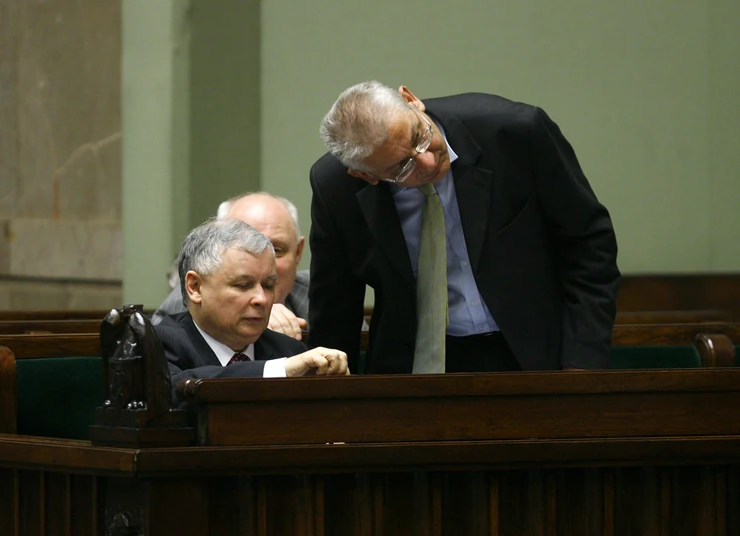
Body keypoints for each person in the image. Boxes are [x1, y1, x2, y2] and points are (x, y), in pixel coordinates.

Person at [308, 81, 620, 375]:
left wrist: (581, 363)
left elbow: (589, 246)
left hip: (536, 352)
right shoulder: (335, 188)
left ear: (411, 101)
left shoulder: (515, 132)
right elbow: (335, 307)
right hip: (413, 368)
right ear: (366, 175)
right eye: (402, 167)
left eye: (419, 137)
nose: (428, 162)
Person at [154, 218, 349, 394]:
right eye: (243, 285)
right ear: (195, 287)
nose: (261, 299)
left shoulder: (289, 349)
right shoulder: (159, 345)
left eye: (268, 285)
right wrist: (279, 370)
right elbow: (173, 391)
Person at [152, 192, 309, 340]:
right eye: (245, 249)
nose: (265, 261)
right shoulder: (187, 303)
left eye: (277, 250)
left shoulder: (317, 291)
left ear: (298, 252)